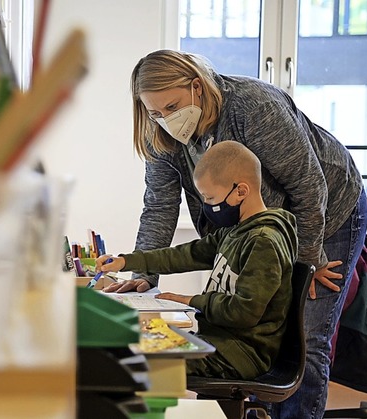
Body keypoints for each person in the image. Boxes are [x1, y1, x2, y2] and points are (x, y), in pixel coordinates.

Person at [111, 49, 367, 418]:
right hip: (255, 229)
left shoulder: (253, 107)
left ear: (197, 87)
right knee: (261, 330)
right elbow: (159, 207)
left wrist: (308, 264)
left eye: (171, 107)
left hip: (328, 208)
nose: (166, 120)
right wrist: (143, 276)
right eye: (154, 113)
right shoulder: (162, 135)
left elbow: (310, 187)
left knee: (305, 336)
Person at [97, 141, 298, 380]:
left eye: (210, 197)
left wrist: (189, 300)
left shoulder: (264, 241)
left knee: (128, 360)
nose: (208, 206)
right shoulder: (235, 231)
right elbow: (184, 255)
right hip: (216, 343)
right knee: (125, 340)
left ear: (241, 191)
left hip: (239, 353)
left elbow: (244, 312)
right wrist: (126, 262)